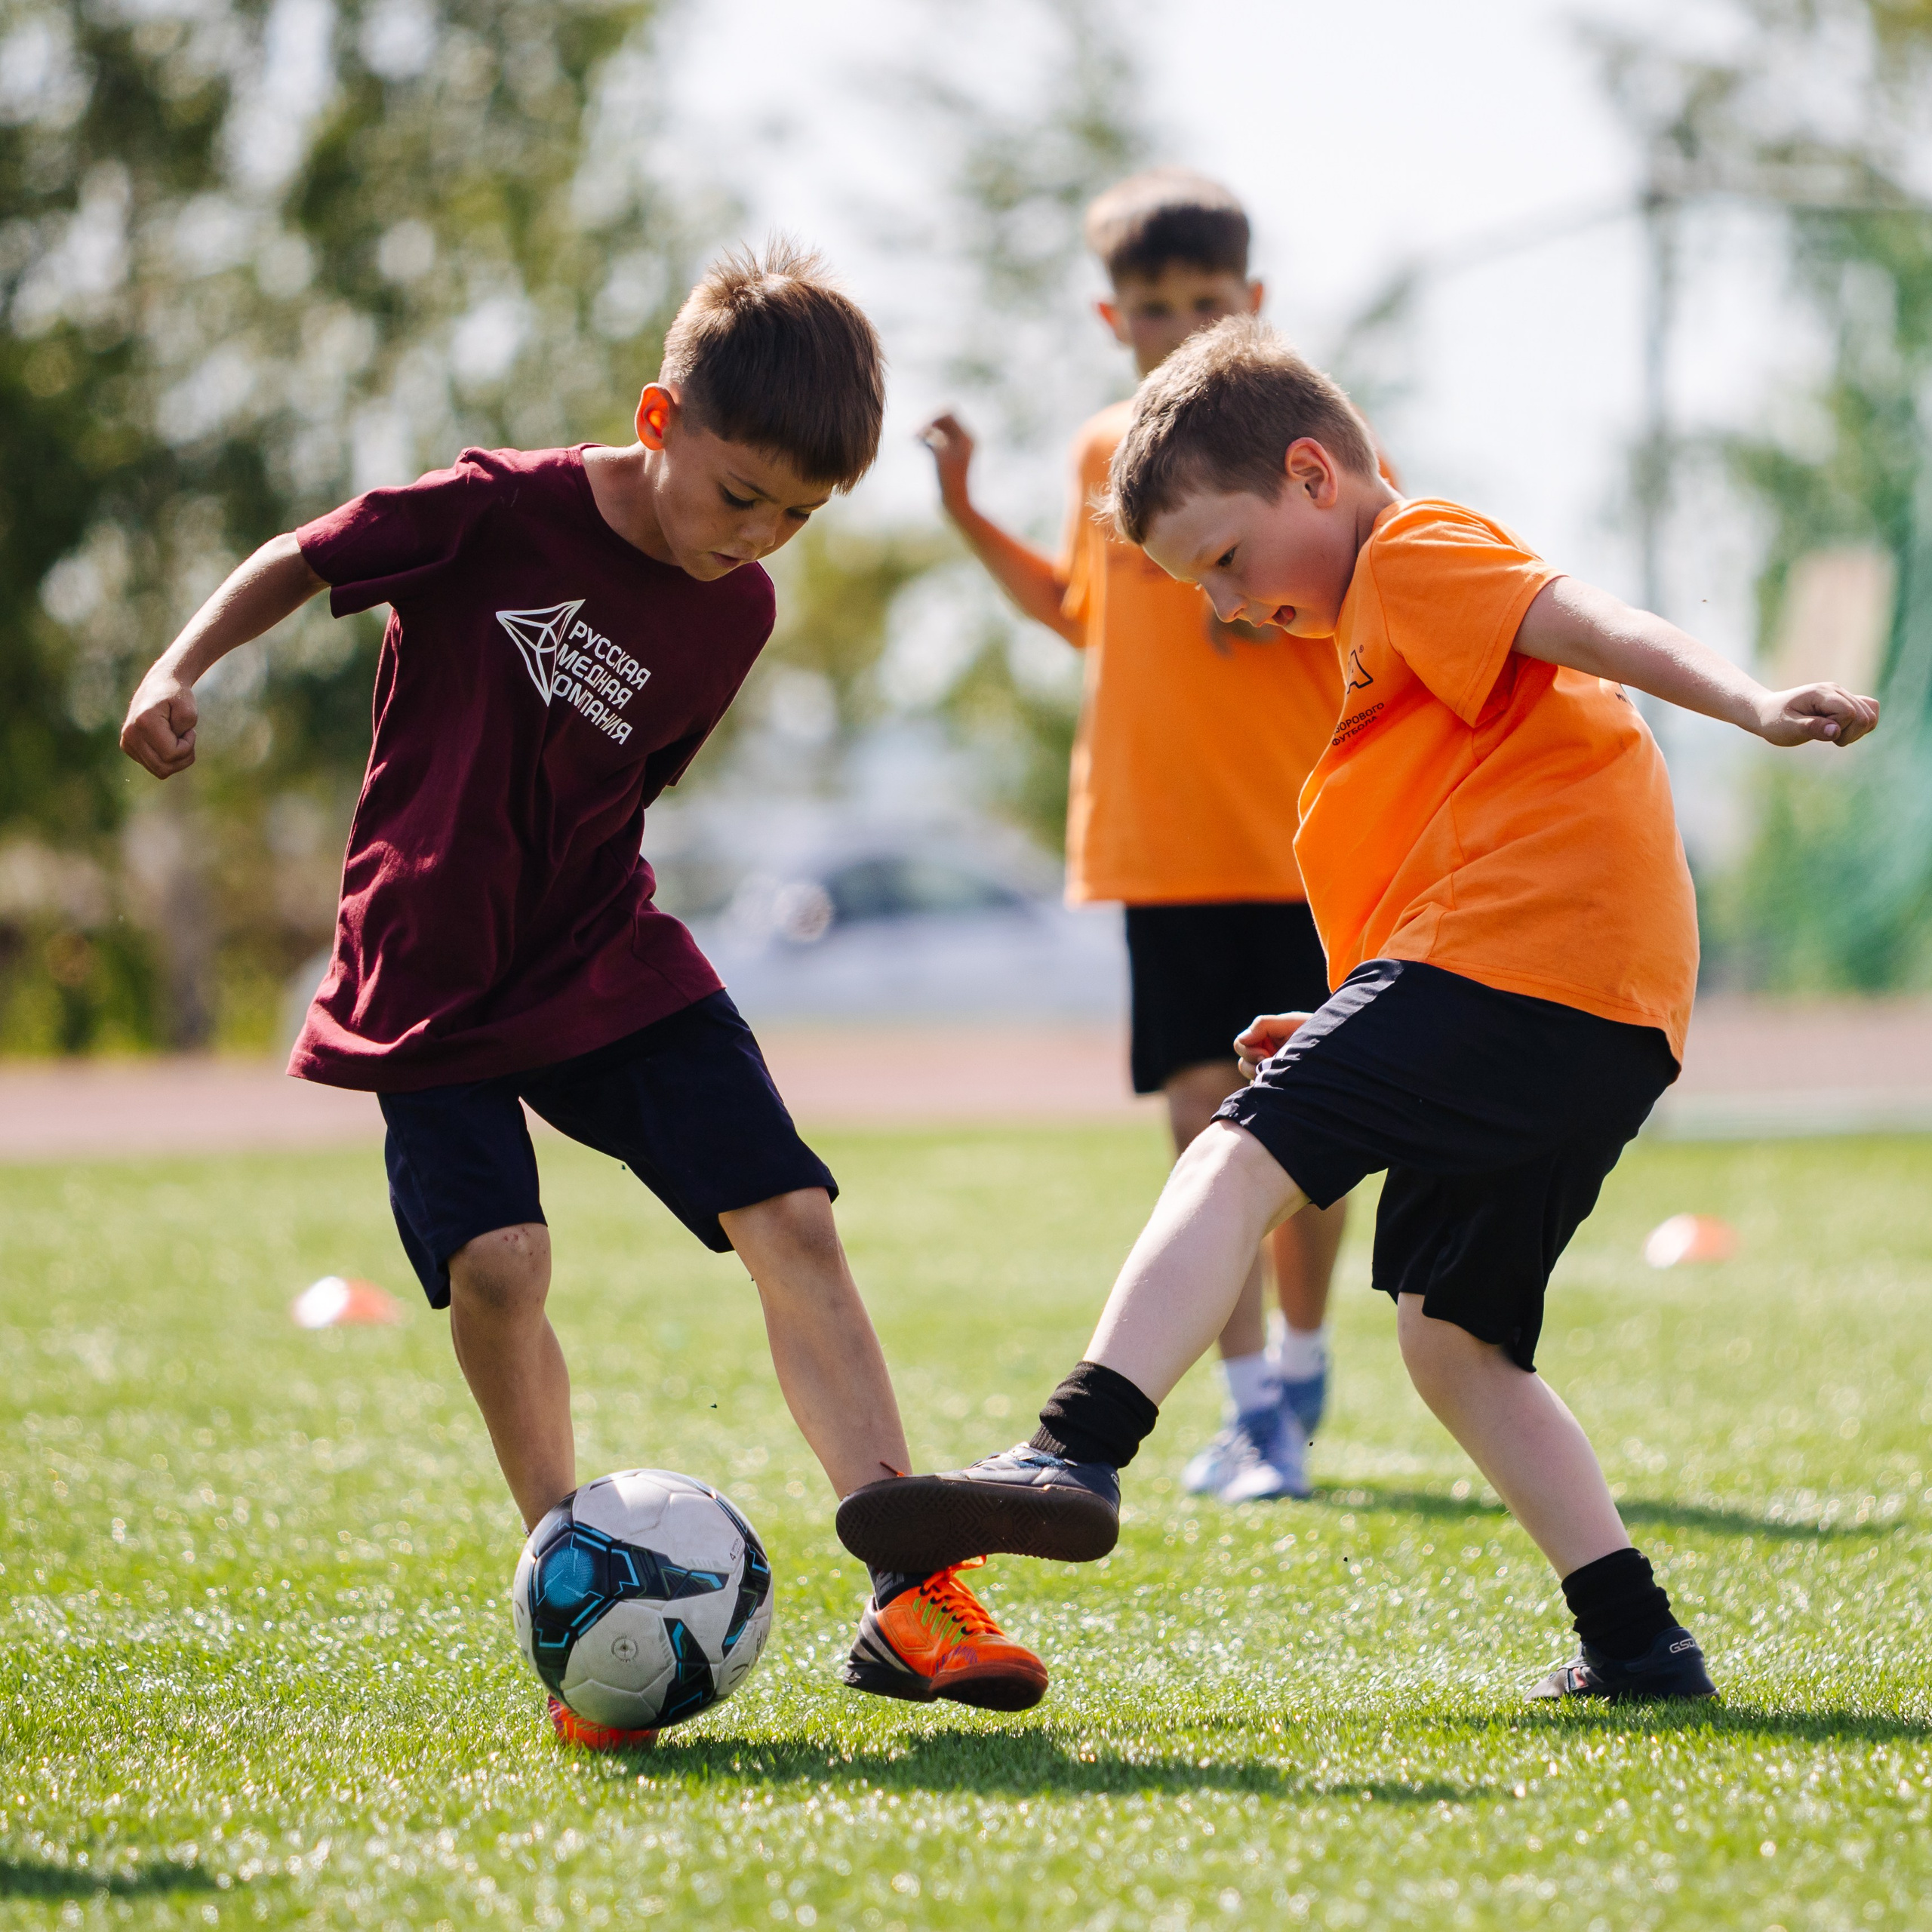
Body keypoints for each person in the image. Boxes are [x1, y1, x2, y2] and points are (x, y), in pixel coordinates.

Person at [838, 315, 1881, 1702]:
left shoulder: (1413, 552)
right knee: (1456, 1342)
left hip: (1519, 973)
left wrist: (1748, 700)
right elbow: (1469, 832)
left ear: (1315, 474)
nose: (1223, 604)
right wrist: (1335, 1012)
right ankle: (1638, 1641)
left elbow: (1589, 619)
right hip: (1601, 1013)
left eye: (1223, 559)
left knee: (1231, 1153)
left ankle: (1070, 1448)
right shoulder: (1384, 633)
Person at [118, 242, 1048, 1741]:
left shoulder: (731, 618)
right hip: (427, 965)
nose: (758, 538)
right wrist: (178, 670)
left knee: (793, 1216)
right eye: (740, 493)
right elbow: (304, 551)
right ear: (657, 419)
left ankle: (910, 1589)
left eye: (800, 517)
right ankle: (576, 1577)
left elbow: (614, 785)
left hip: (605, 952)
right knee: (500, 1268)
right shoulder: (496, 509)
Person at [920, 170, 1348, 1504]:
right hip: (1161, 849)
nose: (1180, 325)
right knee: (1197, 1124)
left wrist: (1279, 601)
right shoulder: (1107, 454)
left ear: (1255, 304)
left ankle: (1309, 1357)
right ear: (1115, 317)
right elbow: (1076, 607)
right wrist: (964, 512)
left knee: (1317, 1132)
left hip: (1301, 845)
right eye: (1153, 306)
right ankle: (1247, 1408)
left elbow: (1376, 600)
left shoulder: (1310, 448)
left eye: (1207, 302)